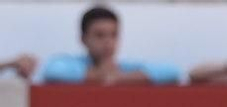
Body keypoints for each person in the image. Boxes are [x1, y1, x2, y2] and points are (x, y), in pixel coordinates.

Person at [40, 6, 180, 85]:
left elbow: (172, 71)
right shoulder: (71, 64)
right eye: (100, 35)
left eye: (114, 35)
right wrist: (103, 76)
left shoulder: (126, 68)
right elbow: (54, 72)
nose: (108, 42)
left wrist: (120, 78)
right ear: (83, 39)